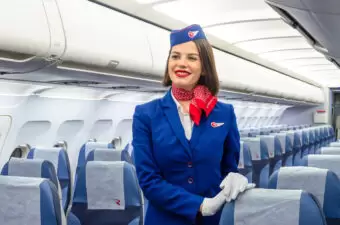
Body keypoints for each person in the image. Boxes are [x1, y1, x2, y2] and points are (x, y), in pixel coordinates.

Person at [132, 24, 254, 225]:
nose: (181, 63)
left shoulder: (224, 113)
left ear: (204, 66)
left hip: (213, 221)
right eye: (175, 56)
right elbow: (148, 180)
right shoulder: (146, 115)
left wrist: (235, 178)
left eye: (192, 58)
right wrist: (200, 205)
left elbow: (228, 169)